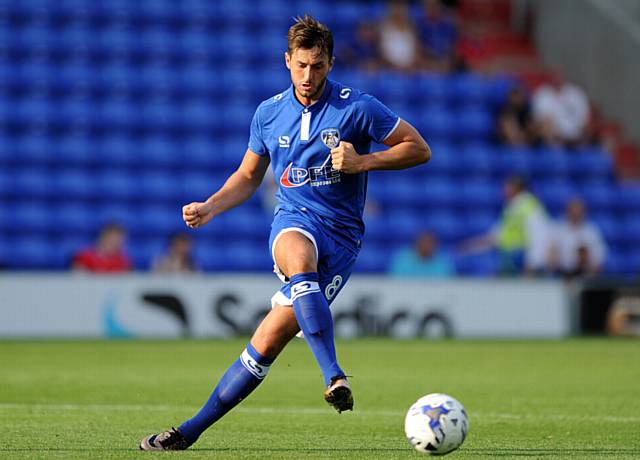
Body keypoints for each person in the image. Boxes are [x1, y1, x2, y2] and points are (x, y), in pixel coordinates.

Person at [139, 15, 430, 451]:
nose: (308, 76)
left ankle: (187, 433)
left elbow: (418, 148)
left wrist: (363, 162)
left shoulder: (357, 107)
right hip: (294, 221)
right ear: (287, 62)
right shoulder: (269, 113)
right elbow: (248, 175)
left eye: (317, 66)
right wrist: (211, 206)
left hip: (343, 239)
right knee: (299, 259)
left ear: (329, 63)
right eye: (300, 66)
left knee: (264, 345)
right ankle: (334, 374)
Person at [460, 176, 551, 275]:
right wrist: (471, 246)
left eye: (508, 186)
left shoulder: (530, 207)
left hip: (522, 262)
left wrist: (532, 265)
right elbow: (496, 237)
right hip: (510, 260)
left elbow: (538, 237)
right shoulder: (511, 208)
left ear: (517, 188)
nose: (504, 190)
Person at [548, 198, 607, 279]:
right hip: (563, 275)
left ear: (583, 212)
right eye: (573, 211)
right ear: (567, 211)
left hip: (586, 275)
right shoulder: (557, 230)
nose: (575, 214)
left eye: (578, 212)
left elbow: (599, 259)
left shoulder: (591, 231)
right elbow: (551, 261)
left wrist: (587, 261)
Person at [531, 74, 590, 147]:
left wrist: (578, 131)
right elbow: (539, 118)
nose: (557, 81)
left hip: (575, 132)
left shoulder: (575, 93)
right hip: (553, 134)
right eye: (555, 78)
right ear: (550, 79)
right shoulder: (542, 94)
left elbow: (583, 115)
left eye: (559, 78)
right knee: (545, 126)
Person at [388, 231, 455, 277]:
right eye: (423, 242)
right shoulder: (402, 261)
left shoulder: (444, 263)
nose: (426, 246)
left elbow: (450, 285)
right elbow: (394, 283)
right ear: (416, 243)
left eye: (429, 243)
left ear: (436, 245)